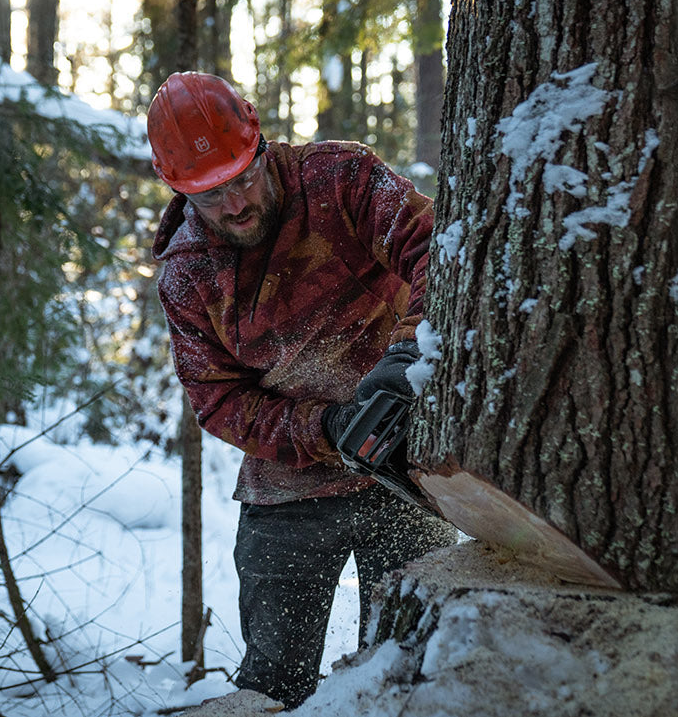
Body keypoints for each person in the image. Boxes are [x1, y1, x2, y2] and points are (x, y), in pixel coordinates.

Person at [148, 72, 457, 707]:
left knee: (409, 673)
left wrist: (408, 354)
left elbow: (439, 249)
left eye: (241, 179)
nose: (234, 205)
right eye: (209, 196)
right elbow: (218, 400)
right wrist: (321, 429)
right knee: (273, 684)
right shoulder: (187, 275)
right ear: (178, 191)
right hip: (286, 488)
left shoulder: (339, 179)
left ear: (261, 146)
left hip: (405, 468)